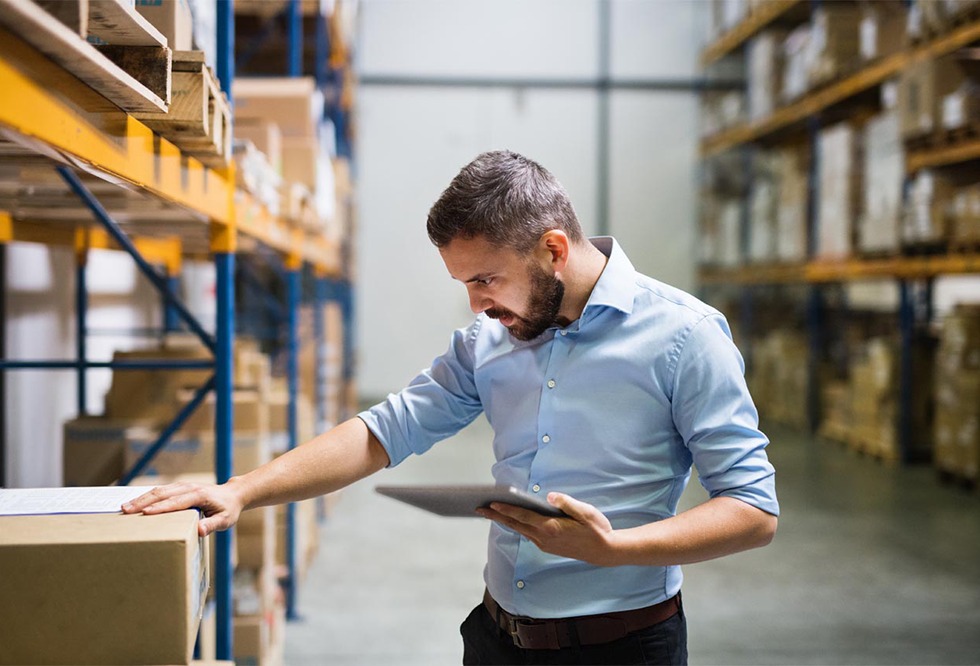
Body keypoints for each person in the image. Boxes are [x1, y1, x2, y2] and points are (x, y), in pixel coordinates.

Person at [123, 150, 778, 665]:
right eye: (465, 284)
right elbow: (383, 430)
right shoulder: (488, 340)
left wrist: (615, 549)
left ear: (552, 249)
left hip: (625, 646)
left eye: (485, 280)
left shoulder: (685, 336)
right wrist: (242, 490)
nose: (476, 306)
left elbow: (752, 511)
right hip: (498, 639)